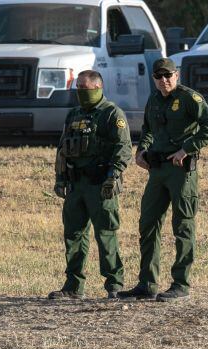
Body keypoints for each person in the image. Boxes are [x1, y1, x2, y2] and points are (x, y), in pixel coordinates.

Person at [119, 57, 208, 303]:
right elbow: (147, 129)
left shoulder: (188, 98)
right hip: (158, 169)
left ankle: (181, 283)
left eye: (168, 76)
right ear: (153, 79)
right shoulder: (154, 99)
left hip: (181, 170)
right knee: (148, 224)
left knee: (182, 225)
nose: (164, 81)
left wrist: (187, 148)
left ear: (177, 75)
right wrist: (141, 150)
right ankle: (147, 283)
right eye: (159, 77)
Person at [49, 70, 132, 300]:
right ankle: (73, 286)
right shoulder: (73, 115)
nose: (81, 94)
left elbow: (123, 148)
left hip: (100, 184)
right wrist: (60, 178)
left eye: (85, 90)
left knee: (106, 234)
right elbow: (62, 149)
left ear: (98, 88)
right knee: (73, 235)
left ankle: (114, 284)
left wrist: (113, 176)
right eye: (78, 89)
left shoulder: (111, 114)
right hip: (76, 185)